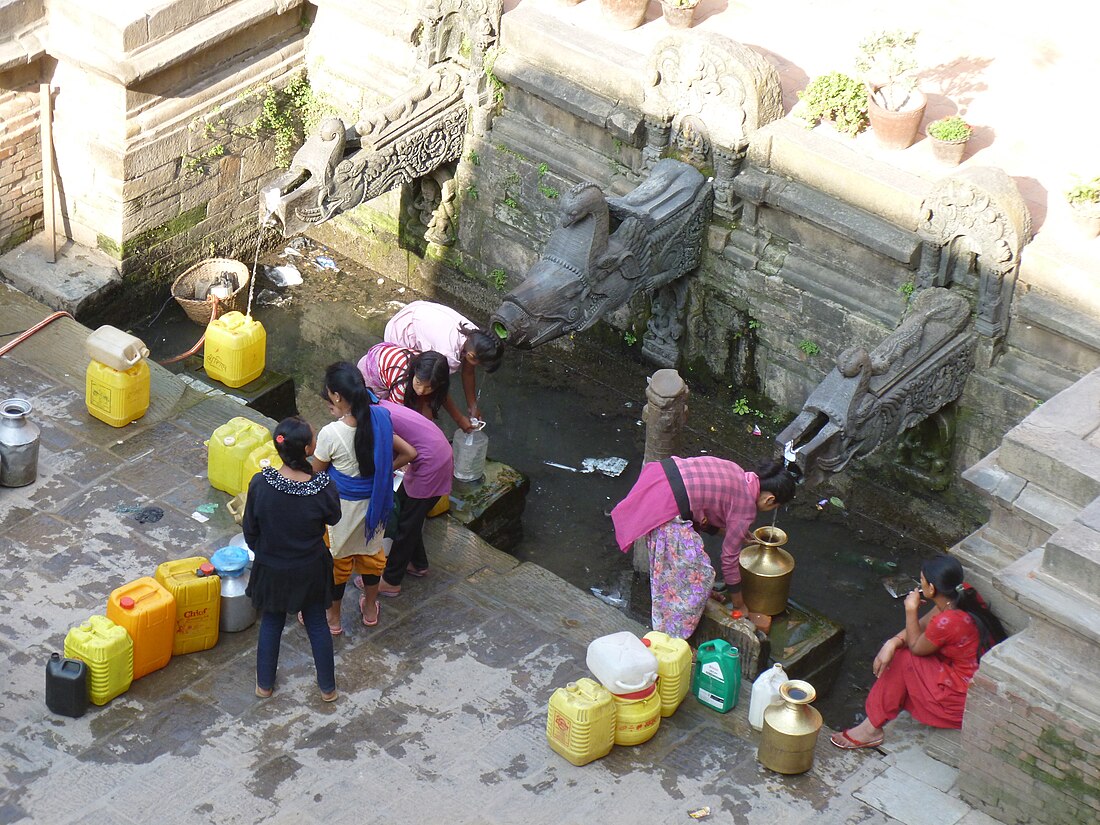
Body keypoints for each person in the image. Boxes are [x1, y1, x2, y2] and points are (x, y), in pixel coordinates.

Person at [830, 554, 1008, 749]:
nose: (919, 586)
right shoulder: (962, 593)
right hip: (973, 678)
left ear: (931, 588)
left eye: (922, 581)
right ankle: (877, 718)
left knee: (903, 658)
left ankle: (870, 729)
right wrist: (893, 641)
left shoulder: (947, 621)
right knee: (900, 651)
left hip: (961, 698)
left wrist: (910, 610)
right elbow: (924, 626)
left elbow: (916, 647)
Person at [610, 457, 799, 639]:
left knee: (690, 565)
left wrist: (730, 533)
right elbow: (729, 559)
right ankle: (672, 637)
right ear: (769, 500)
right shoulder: (746, 506)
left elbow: (699, 503)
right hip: (668, 506)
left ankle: (700, 597)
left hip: (661, 477)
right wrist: (740, 605)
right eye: (774, 507)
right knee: (698, 575)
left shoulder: (737, 472)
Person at [309, 363, 416, 631]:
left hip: (341, 513)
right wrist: (381, 473)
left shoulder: (330, 434)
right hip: (374, 509)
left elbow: (315, 474)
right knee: (371, 559)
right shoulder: (380, 418)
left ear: (336, 396)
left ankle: (333, 619)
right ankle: (369, 608)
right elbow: (409, 453)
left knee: (337, 564)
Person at [243, 416, 341, 702]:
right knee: (316, 624)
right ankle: (327, 689)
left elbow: (250, 530)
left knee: (271, 623)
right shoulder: (322, 487)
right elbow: (334, 517)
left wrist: (267, 553)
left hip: (272, 567)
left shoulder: (260, 484)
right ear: (309, 449)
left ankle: (264, 685)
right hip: (310, 568)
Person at [383, 300, 505, 432]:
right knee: (421, 388)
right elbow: (438, 386)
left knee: (425, 388)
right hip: (402, 332)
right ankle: (415, 426)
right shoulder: (448, 353)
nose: (478, 366)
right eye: (480, 363)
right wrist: (459, 418)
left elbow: (468, 372)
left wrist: (472, 406)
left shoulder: (475, 336)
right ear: (471, 356)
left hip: (419, 315)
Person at [375, 397, 454, 598]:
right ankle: (417, 563)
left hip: (430, 464)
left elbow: (408, 452)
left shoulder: (372, 417)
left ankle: (391, 581)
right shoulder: (379, 404)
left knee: (407, 524)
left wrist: (383, 472)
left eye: (332, 404)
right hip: (436, 454)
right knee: (405, 510)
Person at [357, 344, 451, 422]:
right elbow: (395, 416)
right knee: (380, 410)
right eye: (418, 382)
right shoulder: (401, 387)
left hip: (388, 361)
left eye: (429, 387)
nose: (421, 390)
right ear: (414, 372)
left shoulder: (427, 366)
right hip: (371, 371)